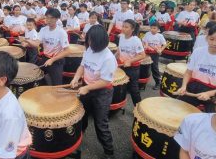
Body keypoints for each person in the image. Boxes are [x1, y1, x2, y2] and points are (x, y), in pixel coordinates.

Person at [70, 25, 116, 159]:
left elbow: (106, 81)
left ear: (101, 41)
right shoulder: (89, 49)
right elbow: (83, 66)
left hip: (102, 93)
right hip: (87, 87)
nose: (89, 43)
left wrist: (87, 88)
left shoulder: (108, 57)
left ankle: (109, 151)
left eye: (92, 41)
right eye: (89, 40)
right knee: (81, 117)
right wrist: (76, 78)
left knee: (101, 123)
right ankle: (77, 142)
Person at [175, 25, 216, 112]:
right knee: (178, 109)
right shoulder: (198, 52)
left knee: (213, 119)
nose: (214, 43)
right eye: (211, 39)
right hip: (194, 87)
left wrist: (209, 94)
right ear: (207, 37)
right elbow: (188, 72)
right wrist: (184, 86)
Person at [34, 8, 70, 85]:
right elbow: (37, 43)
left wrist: (52, 60)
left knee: (56, 84)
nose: (48, 20)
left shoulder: (61, 32)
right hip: (45, 58)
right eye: (47, 17)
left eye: (51, 18)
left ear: (57, 19)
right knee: (38, 78)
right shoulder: (43, 30)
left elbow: (67, 51)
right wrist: (27, 42)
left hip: (57, 61)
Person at [116, 19, 145, 106]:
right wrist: (113, 59)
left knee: (133, 89)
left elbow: (142, 55)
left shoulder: (136, 40)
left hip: (133, 68)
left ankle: (138, 108)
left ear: (132, 29)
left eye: (126, 27)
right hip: (122, 65)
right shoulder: (121, 36)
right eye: (123, 26)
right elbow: (119, 51)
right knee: (121, 86)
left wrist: (130, 61)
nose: (123, 28)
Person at [142, 22, 167, 90]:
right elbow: (144, 41)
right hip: (147, 52)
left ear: (158, 29)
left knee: (154, 68)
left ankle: (158, 82)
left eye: (154, 28)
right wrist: (145, 45)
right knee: (144, 66)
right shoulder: (147, 34)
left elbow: (164, 44)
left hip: (155, 54)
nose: (152, 29)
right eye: (151, 28)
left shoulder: (160, 36)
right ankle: (142, 82)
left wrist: (161, 50)